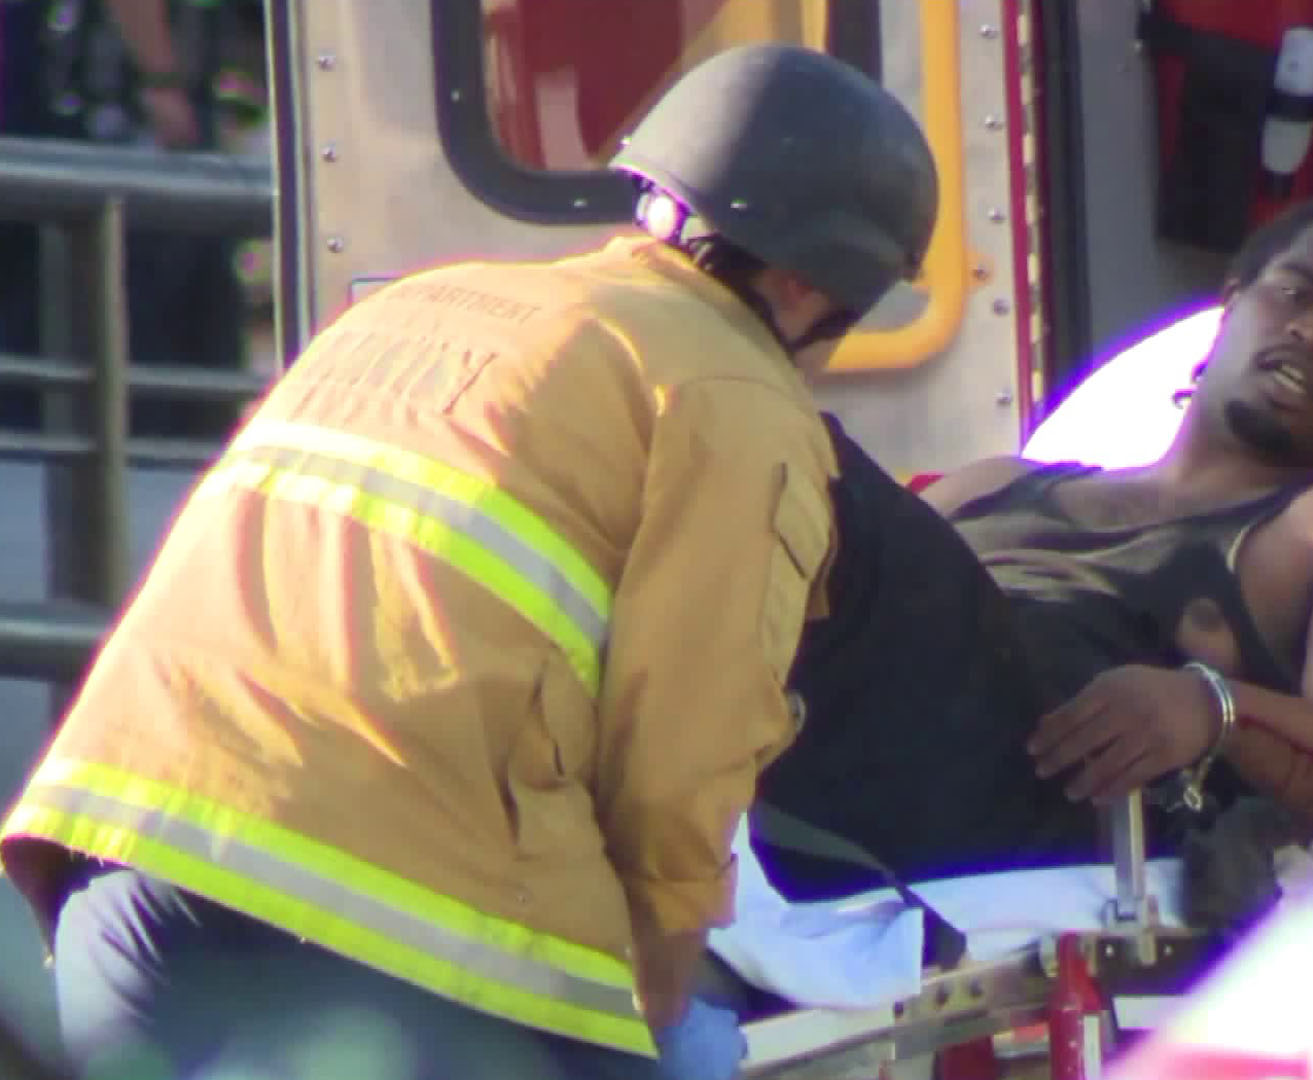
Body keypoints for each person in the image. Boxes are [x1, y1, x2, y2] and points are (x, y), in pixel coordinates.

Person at [0, 42, 936, 1080]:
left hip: (122, 888)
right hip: (384, 930)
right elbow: (693, 726)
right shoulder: (737, 397)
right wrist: (661, 981)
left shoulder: (421, 306)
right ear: (813, 287)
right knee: (695, 1050)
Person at [757, 199, 1313, 917]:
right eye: (1295, 293)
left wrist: (1215, 708)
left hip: (1024, 813)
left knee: (798, 460)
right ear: (1229, 309)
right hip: (804, 786)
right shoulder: (1000, 483)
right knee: (782, 480)